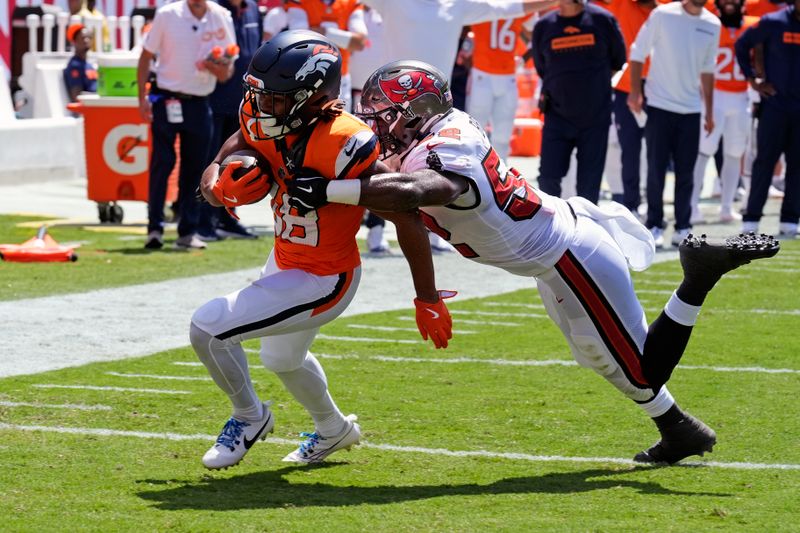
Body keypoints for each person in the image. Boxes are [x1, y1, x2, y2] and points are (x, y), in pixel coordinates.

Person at [286, 60, 780, 464]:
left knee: (643, 370)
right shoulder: (420, 141)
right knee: (601, 357)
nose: (374, 122)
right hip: (551, 257)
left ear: (417, 111)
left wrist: (332, 189)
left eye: (383, 112)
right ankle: (681, 433)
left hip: (569, 254)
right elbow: (398, 199)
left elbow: (423, 190)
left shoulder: (445, 145)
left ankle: (699, 275)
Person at [193, 31, 450, 469]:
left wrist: (426, 296)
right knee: (282, 356)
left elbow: (406, 214)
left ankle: (249, 416)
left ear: (312, 97)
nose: (260, 106)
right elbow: (225, 155)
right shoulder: (266, 118)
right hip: (285, 259)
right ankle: (334, 430)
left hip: (324, 278)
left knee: (208, 329)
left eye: (274, 98)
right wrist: (217, 187)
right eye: (258, 94)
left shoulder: (345, 141)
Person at [136, 0, 236, 250]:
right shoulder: (168, 14)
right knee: (163, 162)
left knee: (196, 169)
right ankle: (154, 227)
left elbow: (228, 71)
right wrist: (141, 98)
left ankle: (188, 230)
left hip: (200, 100)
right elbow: (146, 55)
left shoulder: (221, 16)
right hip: (167, 97)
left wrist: (216, 66)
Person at [628, 0, 721, 248]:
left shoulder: (713, 24)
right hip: (659, 105)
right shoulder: (662, 14)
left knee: (686, 172)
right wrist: (635, 92)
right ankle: (655, 224)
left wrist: (709, 112)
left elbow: (708, 70)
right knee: (656, 169)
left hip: (691, 110)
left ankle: (683, 226)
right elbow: (638, 52)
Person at [531, 0, 626, 204]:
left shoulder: (603, 20)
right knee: (548, 179)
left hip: (595, 117)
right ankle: (551, 230)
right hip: (556, 116)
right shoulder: (543, 26)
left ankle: (586, 231)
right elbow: (542, 68)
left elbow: (618, 60)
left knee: (588, 187)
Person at [197, 0, 262, 242]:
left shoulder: (253, 8)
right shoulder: (213, 10)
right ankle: (202, 222)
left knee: (236, 162)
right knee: (209, 161)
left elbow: (256, 50)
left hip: (242, 101)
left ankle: (227, 217)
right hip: (212, 97)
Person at [735, 0, 800, 238]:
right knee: (764, 163)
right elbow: (742, 45)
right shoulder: (773, 21)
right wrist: (753, 79)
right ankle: (751, 219)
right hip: (774, 107)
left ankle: (790, 219)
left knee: (797, 166)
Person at [690, 0, 757, 224]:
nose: (730, 2)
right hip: (714, 95)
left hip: (741, 95)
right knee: (702, 151)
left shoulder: (753, 25)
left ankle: (727, 207)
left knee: (734, 153)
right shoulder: (707, 23)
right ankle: (691, 206)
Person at [598, 0, 664, 214]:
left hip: (660, 88)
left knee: (657, 152)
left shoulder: (666, 9)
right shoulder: (623, 4)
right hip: (626, 87)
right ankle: (631, 202)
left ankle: (654, 205)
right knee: (629, 148)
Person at [467, 15, 534, 161]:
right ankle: (475, 175)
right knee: (474, 133)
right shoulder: (515, 7)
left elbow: (539, 33)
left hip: (501, 77)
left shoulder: (514, 6)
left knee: (500, 137)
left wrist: (524, 58)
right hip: (483, 75)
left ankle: (499, 177)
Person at [286, 0, 368, 112]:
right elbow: (299, 38)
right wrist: (343, 37)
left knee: (341, 125)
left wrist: (323, 32)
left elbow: (359, 43)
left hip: (340, 78)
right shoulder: (300, 2)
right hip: (307, 78)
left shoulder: (351, 2)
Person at [63, 24, 97, 104]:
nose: (86, 40)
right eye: (82, 38)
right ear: (75, 42)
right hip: (90, 108)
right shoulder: (75, 66)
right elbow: (77, 97)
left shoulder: (89, 65)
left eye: (88, 37)